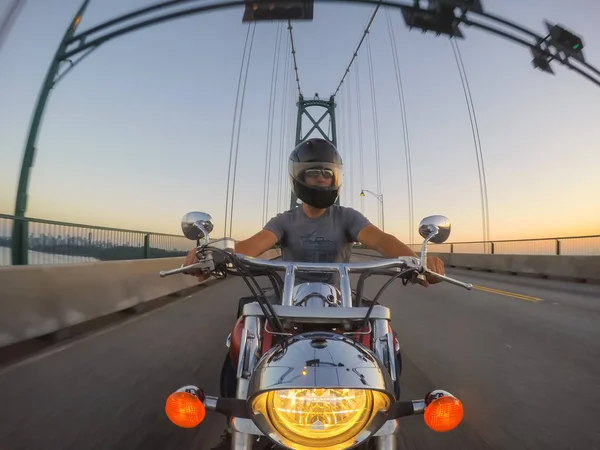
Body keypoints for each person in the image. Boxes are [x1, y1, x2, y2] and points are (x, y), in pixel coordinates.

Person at [183, 138, 445, 449]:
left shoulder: (347, 217)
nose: (320, 178)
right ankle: (235, 418)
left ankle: (384, 415)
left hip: (340, 300)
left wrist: (418, 261)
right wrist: (209, 256)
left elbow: (380, 239)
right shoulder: (284, 221)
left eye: (326, 172)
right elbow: (251, 246)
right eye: (312, 173)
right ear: (298, 177)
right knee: (243, 335)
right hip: (287, 301)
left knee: (385, 335)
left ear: (336, 178)